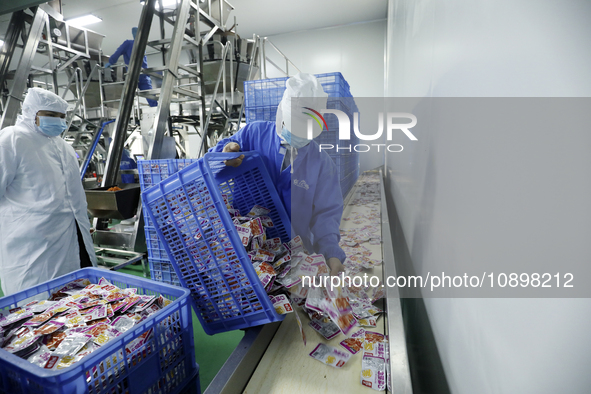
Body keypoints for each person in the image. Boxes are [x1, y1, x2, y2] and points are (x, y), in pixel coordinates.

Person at [211, 73, 346, 276]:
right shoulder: (253, 134)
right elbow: (212, 163)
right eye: (295, 128)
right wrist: (224, 155)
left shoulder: (322, 163)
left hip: (291, 258)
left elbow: (326, 215)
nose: (298, 137)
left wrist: (332, 254)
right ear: (282, 115)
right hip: (243, 249)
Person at [0, 87, 97, 296]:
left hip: (73, 237)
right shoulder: (12, 139)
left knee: (77, 303)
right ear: (31, 113)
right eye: (51, 115)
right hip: (31, 245)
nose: (58, 121)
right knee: (36, 307)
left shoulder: (64, 147)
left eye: (62, 116)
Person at [105, 27, 158, 107]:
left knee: (150, 98)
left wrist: (111, 62)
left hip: (141, 75)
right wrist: (111, 62)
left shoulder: (140, 45)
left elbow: (143, 61)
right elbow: (118, 53)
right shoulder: (129, 44)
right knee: (130, 98)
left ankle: (155, 111)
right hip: (135, 75)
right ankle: (127, 113)